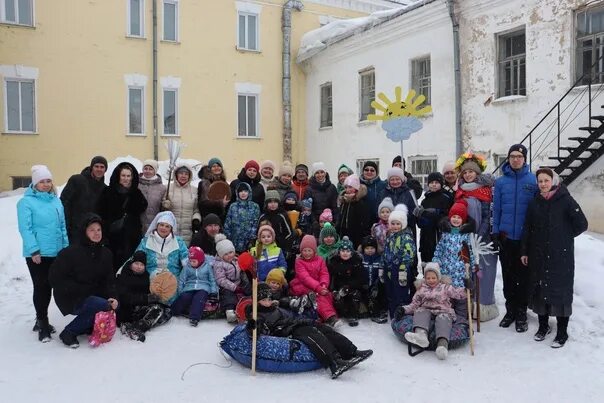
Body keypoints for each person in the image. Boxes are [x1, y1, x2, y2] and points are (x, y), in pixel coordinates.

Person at [245, 283, 373, 379]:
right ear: (256, 301)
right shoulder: (257, 314)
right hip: (284, 331)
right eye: (263, 300)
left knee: (323, 328)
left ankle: (351, 351)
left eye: (268, 299)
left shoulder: (275, 307)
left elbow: (289, 316)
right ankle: (335, 363)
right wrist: (253, 326)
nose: (267, 302)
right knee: (312, 334)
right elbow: (256, 330)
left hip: (292, 324)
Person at [521, 168, 588, 348]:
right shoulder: (535, 202)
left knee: (560, 291)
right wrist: (524, 251)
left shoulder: (565, 200)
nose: (543, 184)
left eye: (546, 180)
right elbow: (527, 228)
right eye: (540, 181)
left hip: (561, 256)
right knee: (540, 289)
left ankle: (562, 331)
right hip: (538, 254)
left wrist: (564, 238)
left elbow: (582, 223)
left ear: (553, 181)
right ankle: (543, 327)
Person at [49, 214, 118, 348]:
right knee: (101, 304)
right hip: (71, 296)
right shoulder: (70, 253)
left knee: (111, 304)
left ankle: (87, 324)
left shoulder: (106, 253)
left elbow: (109, 279)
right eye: (91, 230)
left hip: (93, 294)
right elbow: (55, 279)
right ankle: (68, 332)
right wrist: (82, 290)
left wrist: (114, 297)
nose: (96, 233)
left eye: (99, 230)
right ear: (84, 232)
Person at [17, 165, 69, 342]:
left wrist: (65, 248)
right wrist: (33, 250)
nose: (46, 184)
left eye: (48, 181)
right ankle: (42, 323)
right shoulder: (26, 202)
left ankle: (40, 318)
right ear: (35, 184)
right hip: (37, 254)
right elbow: (26, 228)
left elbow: (62, 227)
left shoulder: (56, 200)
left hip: (55, 252)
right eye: (42, 181)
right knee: (41, 287)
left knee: (51, 286)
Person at [492, 144, 538, 332]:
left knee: (524, 278)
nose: (515, 159)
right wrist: (495, 232)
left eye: (519, 156)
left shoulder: (533, 181)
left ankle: (521, 313)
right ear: (508, 159)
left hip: (525, 240)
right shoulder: (501, 182)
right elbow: (496, 210)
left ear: (525, 159)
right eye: (512, 156)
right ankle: (510, 311)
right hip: (505, 237)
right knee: (508, 276)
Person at [454, 152, 498, 322]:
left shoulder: (486, 191)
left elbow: (488, 215)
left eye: (471, 172)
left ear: (477, 173)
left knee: (484, 272)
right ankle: (468, 305)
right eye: (465, 172)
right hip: (465, 237)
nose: (468, 175)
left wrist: (480, 235)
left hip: (482, 239)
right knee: (467, 271)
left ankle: (484, 306)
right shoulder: (460, 191)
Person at [396, 262, 468, 360]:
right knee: (420, 311)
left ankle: (442, 345)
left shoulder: (445, 287)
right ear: (425, 278)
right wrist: (403, 309)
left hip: (443, 310)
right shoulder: (421, 289)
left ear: (438, 277)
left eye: (433, 278)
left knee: (443, 319)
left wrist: (467, 289)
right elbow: (414, 304)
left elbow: (458, 294)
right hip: (426, 309)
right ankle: (421, 336)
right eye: (428, 278)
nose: (431, 280)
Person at [98, 161, 147, 271]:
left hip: (131, 238)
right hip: (112, 236)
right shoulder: (108, 192)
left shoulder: (136, 193)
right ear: (118, 176)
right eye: (123, 175)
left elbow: (142, 207)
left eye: (128, 176)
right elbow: (102, 213)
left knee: (129, 267)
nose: (126, 178)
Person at [116, 251, 172, 342]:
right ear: (131, 263)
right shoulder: (123, 276)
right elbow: (124, 298)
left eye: (141, 264)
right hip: (126, 310)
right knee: (157, 309)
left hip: (139, 308)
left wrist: (155, 297)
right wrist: (146, 298)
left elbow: (147, 294)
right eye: (136, 263)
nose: (138, 267)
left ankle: (130, 326)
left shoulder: (145, 277)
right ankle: (137, 328)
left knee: (167, 311)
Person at [136, 211, 188, 305]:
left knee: (171, 291)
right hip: (151, 274)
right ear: (157, 225)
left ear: (171, 229)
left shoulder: (178, 242)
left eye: (167, 226)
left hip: (172, 275)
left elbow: (186, 259)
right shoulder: (146, 241)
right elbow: (136, 257)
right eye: (162, 225)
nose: (164, 228)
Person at [290, 235, 341, 327]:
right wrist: (318, 288)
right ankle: (330, 317)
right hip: (302, 286)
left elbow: (324, 273)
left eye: (309, 250)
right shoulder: (299, 261)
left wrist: (324, 285)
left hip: (318, 286)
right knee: (317, 297)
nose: (307, 253)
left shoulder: (320, 260)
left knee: (327, 295)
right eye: (304, 251)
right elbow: (305, 278)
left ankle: (325, 317)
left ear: (314, 251)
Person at [60, 156, 108, 243]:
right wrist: (67, 227)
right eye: (96, 166)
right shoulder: (77, 181)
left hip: (93, 234)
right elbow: (64, 203)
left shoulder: (105, 189)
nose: (99, 169)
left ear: (105, 170)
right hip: (75, 232)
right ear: (91, 167)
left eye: (102, 167)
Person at [382, 204, 416, 319]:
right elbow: (385, 251)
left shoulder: (406, 237)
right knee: (390, 292)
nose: (395, 226)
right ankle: (393, 315)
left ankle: (402, 315)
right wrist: (383, 266)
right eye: (393, 223)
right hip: (389, 268)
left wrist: (404, 267)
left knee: (401, 293)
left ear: (403, 224)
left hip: (401, 269)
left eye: (398, 224)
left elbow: (410, 254)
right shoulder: (390, 236)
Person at [433, 200, 476, 288]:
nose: (456, 219)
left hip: (461, 269)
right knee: (446, 290)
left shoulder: (466, 236)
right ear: (450, 217)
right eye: (454, 216)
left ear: (463, 220)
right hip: (445, 268)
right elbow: (439, 248)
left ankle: (459, 301)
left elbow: (470, 251)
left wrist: (473, 264)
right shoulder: (445, 234)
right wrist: (436, 259)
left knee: (459, 291)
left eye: (459, 218)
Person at [171, 246, 217, 327]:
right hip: (189, 286)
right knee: (184, 297)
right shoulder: (187, 267)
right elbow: (182, 279)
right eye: (190, 260)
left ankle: (194, 317)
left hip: (203, 287)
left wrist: (214, 291)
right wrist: (181, 291)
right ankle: (172, 310)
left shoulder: (207, 267)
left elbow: (212, 279)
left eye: (194, 261)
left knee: (199, 299)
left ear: (200, 260)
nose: (192, 263)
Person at [414, 172, 452, 263]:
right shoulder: (424, 200)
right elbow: (419, 223)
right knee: (426, 261)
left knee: (438, 262)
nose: (434, 185)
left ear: (441, 184)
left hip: (438, 235)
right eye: (431, 182)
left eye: (436, 182)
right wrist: (419, 216)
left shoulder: (446, 198)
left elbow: (447, 215)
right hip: (425, 237)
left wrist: (435, 214)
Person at [212, 234, 251, 323]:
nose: (229, 255)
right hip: (226, 285)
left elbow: (242, 269)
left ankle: (251, 304)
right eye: (226, 254)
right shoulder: (219, 265)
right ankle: (229, 312)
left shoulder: (236, 260)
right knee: (228, 295)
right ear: (221, 255)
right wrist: (234, 287)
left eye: (231, 252)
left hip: (238, 282)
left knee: (248, 288)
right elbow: (221, 280)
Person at [327, 237, 365, 327]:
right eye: (343, 251)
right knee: (337, 299)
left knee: (355, 295)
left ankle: (352, 315)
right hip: (338, 288)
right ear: (339, 252)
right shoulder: (334, 262)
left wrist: (349, 286)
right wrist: (333, 289)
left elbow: (360, 279)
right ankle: (341, 312)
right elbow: (331, 277)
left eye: (347, 251)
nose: (345, 253)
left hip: (352, 288)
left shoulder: (356, 262)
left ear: (351, 253)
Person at [161, 163, 201, 245]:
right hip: (170, 230)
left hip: (187, 231)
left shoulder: (195, 190)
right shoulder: (167, 188)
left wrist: (196, 219)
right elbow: (161, 210)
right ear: (176, 174)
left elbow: (196, 209)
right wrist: (165, 206)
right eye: (181, 173)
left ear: (189, 176)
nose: (183, 176)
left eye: (186, 174)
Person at [223, 182, 260, 253]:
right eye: (241, 191)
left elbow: (256, 223)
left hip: (248, 242)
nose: (243, 193)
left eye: (245, 191)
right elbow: (228, 223)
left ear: (249, 192)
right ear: (237, 193)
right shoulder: (233, 206)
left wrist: (251, 239)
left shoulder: (255, 207)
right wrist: (228, 237)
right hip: (234, 241)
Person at [336, 174, 371, 248]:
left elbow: (364, 225)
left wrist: (362, 242)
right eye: (346, 187)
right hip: (343, 237)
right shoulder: (344, 201)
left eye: (350, 187)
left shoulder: (360, 203)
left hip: (356, 239)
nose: (348, 190)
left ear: (356, 188)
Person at [304, 162, 338, 234]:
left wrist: (335, 222)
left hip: (330, 224)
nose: (320, 175)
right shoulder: (309, 189)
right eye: (317, 173)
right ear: (314, 175)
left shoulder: (332, 187)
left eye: (322, 172)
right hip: (315, 224)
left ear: (325, 173)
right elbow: (308, 209)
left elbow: (335, 207)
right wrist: (314, 222)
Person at [360, 235, 388, 323]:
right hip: (364, 285)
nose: (369, 250)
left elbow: (381, 273)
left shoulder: (379, 259)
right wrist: (362, 283)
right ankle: (366, 310)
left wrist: (377, 283)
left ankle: (377, 312)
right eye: (367, 248)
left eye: (372, 248)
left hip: (375, 285)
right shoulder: (361, 259)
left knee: (377, 295)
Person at [138, 159, 167, 235]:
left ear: (155, 171)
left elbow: (163, 210)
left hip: (154, 225)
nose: (147, 171)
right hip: (137, 224)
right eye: (145, 168)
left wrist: (166, 205)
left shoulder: (162, 188)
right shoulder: (136, 185)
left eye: (150, 169)